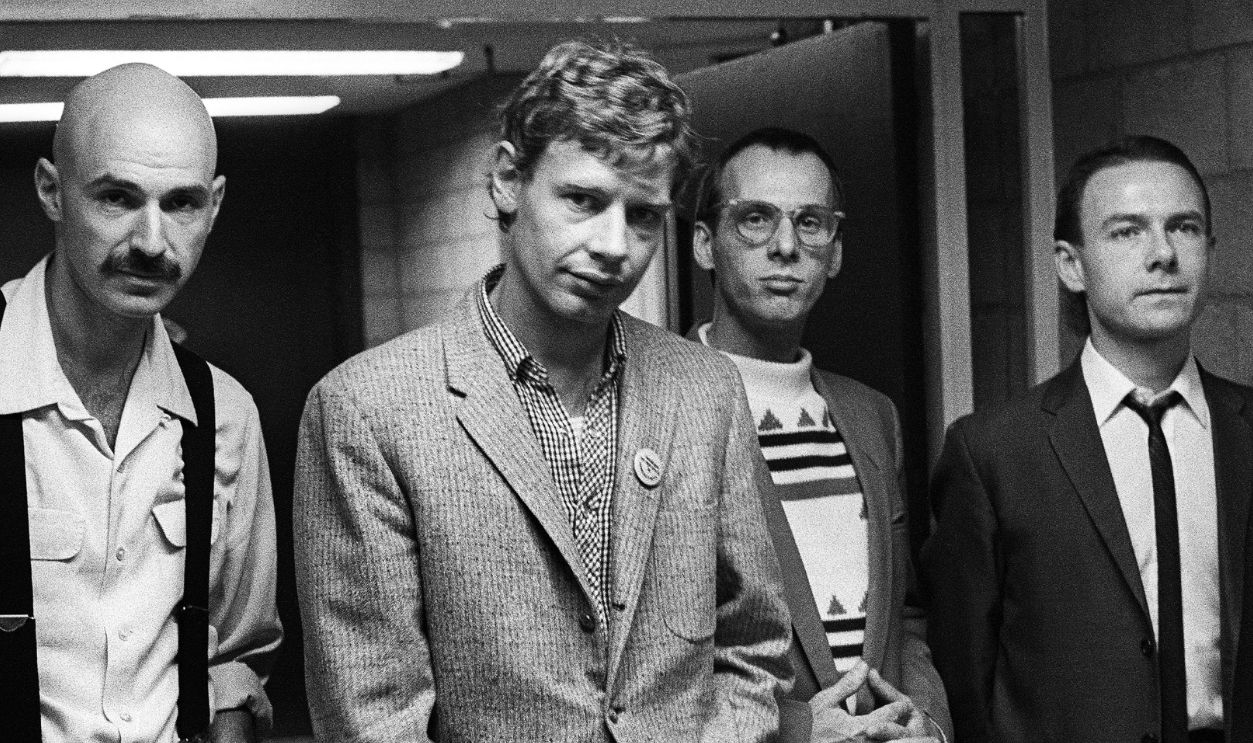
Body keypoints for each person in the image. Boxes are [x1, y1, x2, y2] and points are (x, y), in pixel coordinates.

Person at [294, 40, 792, 742]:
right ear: (506, 180)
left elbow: (753, 644)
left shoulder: (703, 389)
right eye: (583, 200)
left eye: (642, 215)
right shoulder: (369, 410)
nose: (615, 245)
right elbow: (372, 714)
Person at [921, 135, 1253, 742]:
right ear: (1070, 264)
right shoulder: (993, 454)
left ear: (1209, 248)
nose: (1162, 255)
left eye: (1183, 227)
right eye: (1126, 232)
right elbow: (964, 683)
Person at [0, 63, 282, 743]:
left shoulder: (225, 411)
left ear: (213, 205)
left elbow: (235, 660)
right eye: (118, 198)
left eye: (181, 202)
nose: (153, 242)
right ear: (52, 191)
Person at [689, 127, 950, 743]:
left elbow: (907, 619)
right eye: (755, 219)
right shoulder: (659, 410)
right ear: (706, 244)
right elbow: (644, 663)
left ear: (834, 251)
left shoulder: (871, 416)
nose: (785, 246)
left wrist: (929, 723)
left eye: (810, 223)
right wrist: (796, 731)